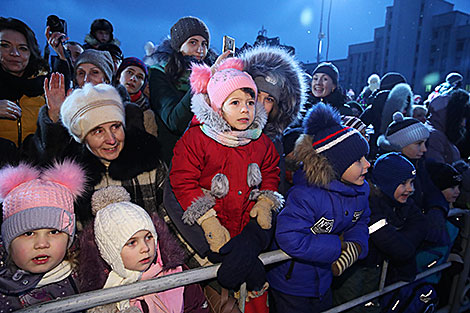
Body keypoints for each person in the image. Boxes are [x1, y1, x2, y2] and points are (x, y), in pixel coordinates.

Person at [167, 58, 283, 310]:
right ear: (218, 107)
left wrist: (265, 202)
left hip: (244, 228)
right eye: (236, 103)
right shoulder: (196, 139)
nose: (245, 110)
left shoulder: (260, 141)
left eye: (250, 103)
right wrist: (208, 221)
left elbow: (272, 171)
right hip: (212, 234)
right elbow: (182, 180)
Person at [267, 103, 371, 313]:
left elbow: (361, 220)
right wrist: (337, 246)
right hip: (292, 285)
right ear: (336, 165)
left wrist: (356, 244)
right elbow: (289, 237)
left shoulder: (359, 191)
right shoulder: (305, 196)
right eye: (358, 161)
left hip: (323, 282)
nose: (367, 164)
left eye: (366, 158)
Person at [78, 186, 209, 312]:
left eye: (148, 237)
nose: (145, 248)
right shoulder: (103, 293)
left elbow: (196, 306)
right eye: (132, 242)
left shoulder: (176, 272)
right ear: (111, 252)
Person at [332, 153, 428, 312]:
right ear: (387, 183)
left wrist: (402, 243)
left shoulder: (402, 203)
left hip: (375, 269)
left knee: (369, 305)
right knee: (349, 307)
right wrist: (405, 244)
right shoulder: (370, 203)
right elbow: (392, 243)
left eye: (412, 182)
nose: (411, 189)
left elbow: (422, 224)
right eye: (403, 183)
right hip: (353, 272)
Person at [25, 49, 145, 164]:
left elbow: (135, 158)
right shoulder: (68, 112)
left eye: (94, 72)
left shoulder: (128, 112)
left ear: (107, 80)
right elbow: (48, 159)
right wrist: (56, 115)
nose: (87, 79)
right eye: (81, 73)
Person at [0, 160, 85, 310]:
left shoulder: (87, 272)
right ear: (9, 242)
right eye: (28, 233)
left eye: (53, 232)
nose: (41, 244)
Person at [147, 16, 221, 165]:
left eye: (204, 44)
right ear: (179, 46)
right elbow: (174, 121)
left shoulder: (214, 74)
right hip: (177, 160)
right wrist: (202, 80)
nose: (200, 49)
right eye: (193, 42)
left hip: (210, 158)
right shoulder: (159, 72)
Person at [240, 45, 307, 195]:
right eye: (256, 95)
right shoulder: (221, 130)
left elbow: (275, 189)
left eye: (269, 99)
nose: (260, 105)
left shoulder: (273, 143)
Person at [0, 17, 49, 151]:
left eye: (22, 48)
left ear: (31, 52)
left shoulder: (45, 89)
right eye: (5, 45)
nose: (14, 53)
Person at [115, 56, 158, 136]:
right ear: (118, 76)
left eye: (139, 77)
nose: (133, 79)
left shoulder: (147, 114)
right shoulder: (103, 99)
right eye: (129, 72)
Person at [425, 88, 469, 164]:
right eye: (461, 119)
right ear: (452, 116)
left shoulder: (441, 134)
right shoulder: (435, 137)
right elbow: (440, 170)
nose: (463, 124)